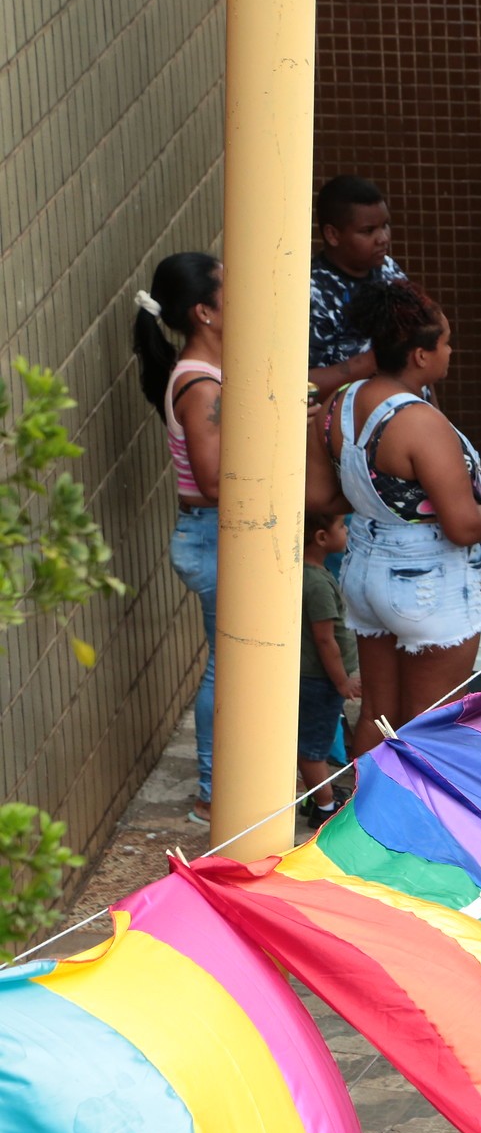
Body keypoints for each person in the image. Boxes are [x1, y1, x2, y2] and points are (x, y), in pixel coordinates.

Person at [307, 280, 481, 746]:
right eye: (445, 342)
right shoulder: (420, 423)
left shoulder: (338, 403)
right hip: (427, 584)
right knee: (432, 728)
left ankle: (365, 816)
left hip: (364, 571)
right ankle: (418, 820)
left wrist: (380, 499)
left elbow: (321, 499)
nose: (450, 351)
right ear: (420, 355)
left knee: (377, 717)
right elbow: (464, 526)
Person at [132, 252, 223, 825]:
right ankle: (214, 791)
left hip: (211, 533)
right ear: (204, 312)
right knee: (229, 666)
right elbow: (214, 481)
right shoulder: (199, 386)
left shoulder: (207, 371)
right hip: (213, 534)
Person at [308, 176, 406, 399]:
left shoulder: (390, 270)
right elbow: (300, 384)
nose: (383, 238)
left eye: (385, 226)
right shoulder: (312, 294)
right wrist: (371, 361)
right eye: (368, 231)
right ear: (333, 235)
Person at [299, 511, 359, 829]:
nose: (347, 529)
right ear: (322, 538)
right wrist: (341, 681)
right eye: (341, 526)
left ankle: (317, 796)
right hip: (320, 681)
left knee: (311, 744)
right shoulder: (319, 585)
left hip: (316, 679)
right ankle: (325, 806)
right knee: (314, 749)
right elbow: (325, 639)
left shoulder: (309, 575)